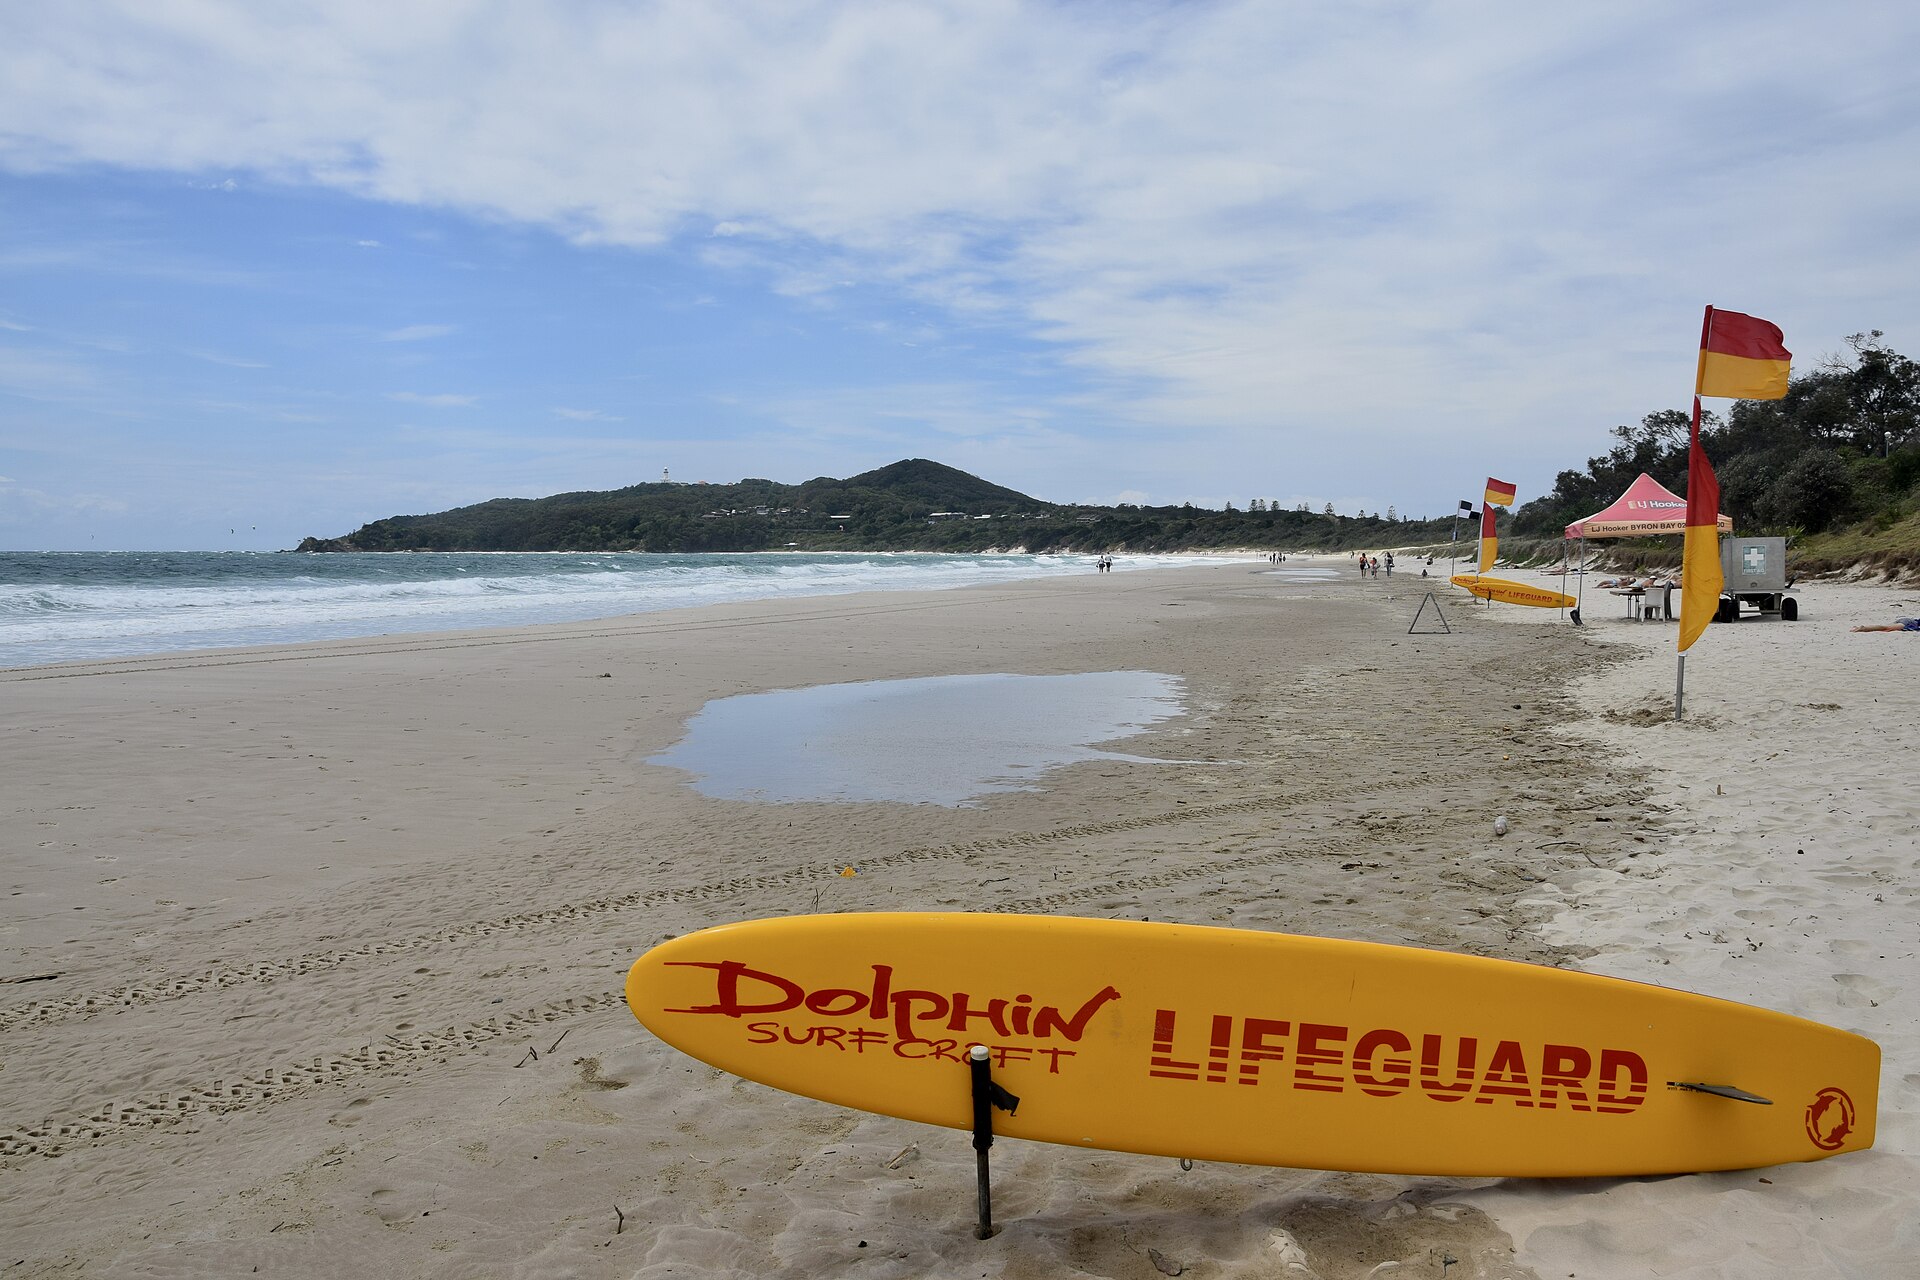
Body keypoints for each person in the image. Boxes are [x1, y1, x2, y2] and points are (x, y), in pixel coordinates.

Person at [1852, 618, 1920, 631]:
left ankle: (1866, 628)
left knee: (1886, 628)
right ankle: (1864, 628)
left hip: (1906, 620)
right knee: (1887, 628)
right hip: (1909, 623)